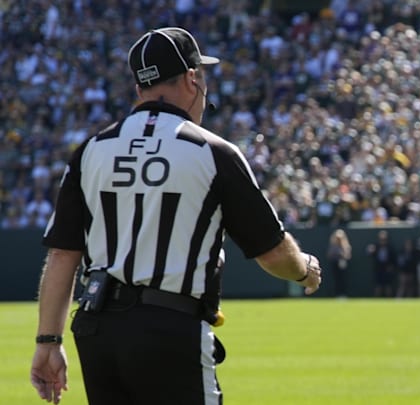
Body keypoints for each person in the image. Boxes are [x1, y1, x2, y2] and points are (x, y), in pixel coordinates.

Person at [30, 27, 322, 405]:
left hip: (98, 330)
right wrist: (303, 269)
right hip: (171, 328)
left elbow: (62, 255)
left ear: (139, 89)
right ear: (191, 78)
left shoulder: (92, 149)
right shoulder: (213, 152)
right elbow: (273, 254)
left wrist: (48, 342)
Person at [366, 229, 396, 297]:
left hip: (387, 269)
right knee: (378, 286)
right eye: (381, 239)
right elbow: (369, 254)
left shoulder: (390, 248)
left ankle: (389, 301)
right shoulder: (375, 247)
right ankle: (376, 301)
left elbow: (393, 259)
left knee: (388, 286)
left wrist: (391, 267)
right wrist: (370, 251)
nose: (382, 240)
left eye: (384, 239)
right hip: (378, 268)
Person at [327, 228, 352, 297]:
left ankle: (343, 294)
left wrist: (343, 255)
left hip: (343, 265)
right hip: (335, 264)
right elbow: (329, 255)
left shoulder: (346, 246)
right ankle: (337, 294)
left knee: (343, 280)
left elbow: (348, 255)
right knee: (336, 279)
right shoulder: (333, 246)